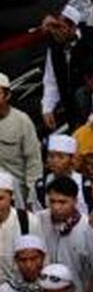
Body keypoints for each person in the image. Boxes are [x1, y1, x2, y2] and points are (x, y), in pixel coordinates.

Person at [0, 73, 40, 205]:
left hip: (16, 194)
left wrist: (32, 197)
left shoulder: (22, 121)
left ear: (7, 95)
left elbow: (33, 161)